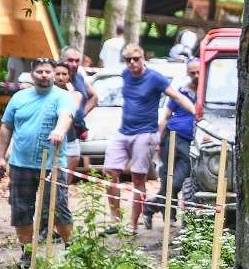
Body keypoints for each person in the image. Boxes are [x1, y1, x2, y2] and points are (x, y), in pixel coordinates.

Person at [105, 44, 197, 233]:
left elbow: (177, 97)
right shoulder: (125, 75)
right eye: (128, 60)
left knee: (138, 178)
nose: (132, 63)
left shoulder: (155, 78)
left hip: (146, 132)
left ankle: (132, 224)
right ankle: (114, 221)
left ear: (143, 58)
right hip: (124, 131)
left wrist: (196, 111)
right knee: (109, 172)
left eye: (135, 59)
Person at [0, 58, 78, 267]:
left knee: (58, 208)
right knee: (21, 209)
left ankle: (72, 251)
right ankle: (27, 254)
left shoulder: (62, 97)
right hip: (20, 163)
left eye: (48, 71)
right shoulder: (19, 98)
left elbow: (66, 116)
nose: (44, 75)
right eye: (39, 71)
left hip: (53, 164)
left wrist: (59, 130)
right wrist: (0, 158)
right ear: (32, 74)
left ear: (53, 73)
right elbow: (6, 127)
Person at [143, 59, 200, 229]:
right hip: (171, 137)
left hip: (191, 142)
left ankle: (151, 207)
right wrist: (158, 140)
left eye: (198, 71)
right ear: (188, 73)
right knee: (167, 179)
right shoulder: (182, 92)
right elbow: (166, 115)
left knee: (176, 182)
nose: (196, 75)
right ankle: (170, 215)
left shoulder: (208, 92)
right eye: (192, 72)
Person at [58, 46, 98, 179]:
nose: (74, 64)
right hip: (58, 134)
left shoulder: (79, 78)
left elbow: (94, 97)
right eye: (70, 60)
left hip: (74, 134)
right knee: (55, 179)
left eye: (77, 61)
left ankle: (62, 197)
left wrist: (80, 114)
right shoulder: (57, 79)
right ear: (61, 59)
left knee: (66, 179)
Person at [51, 62, 86, 184]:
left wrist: (70, 90)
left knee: (65, 183)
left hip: (70, 139)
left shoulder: (76, 94)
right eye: (58, 74)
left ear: (69, 76)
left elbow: (73, 109)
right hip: (51, 140)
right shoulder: (47, 94)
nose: (61, 77)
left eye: (64, 74)